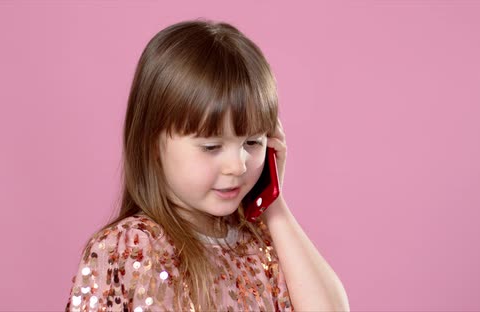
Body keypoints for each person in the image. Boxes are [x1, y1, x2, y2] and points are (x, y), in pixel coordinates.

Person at [65, 19, 349, 312]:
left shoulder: (263, 242)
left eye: (252, 142)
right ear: (153, 144)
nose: (237, 166)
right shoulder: (128, 249)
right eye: (212, 147)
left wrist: (273, 206)